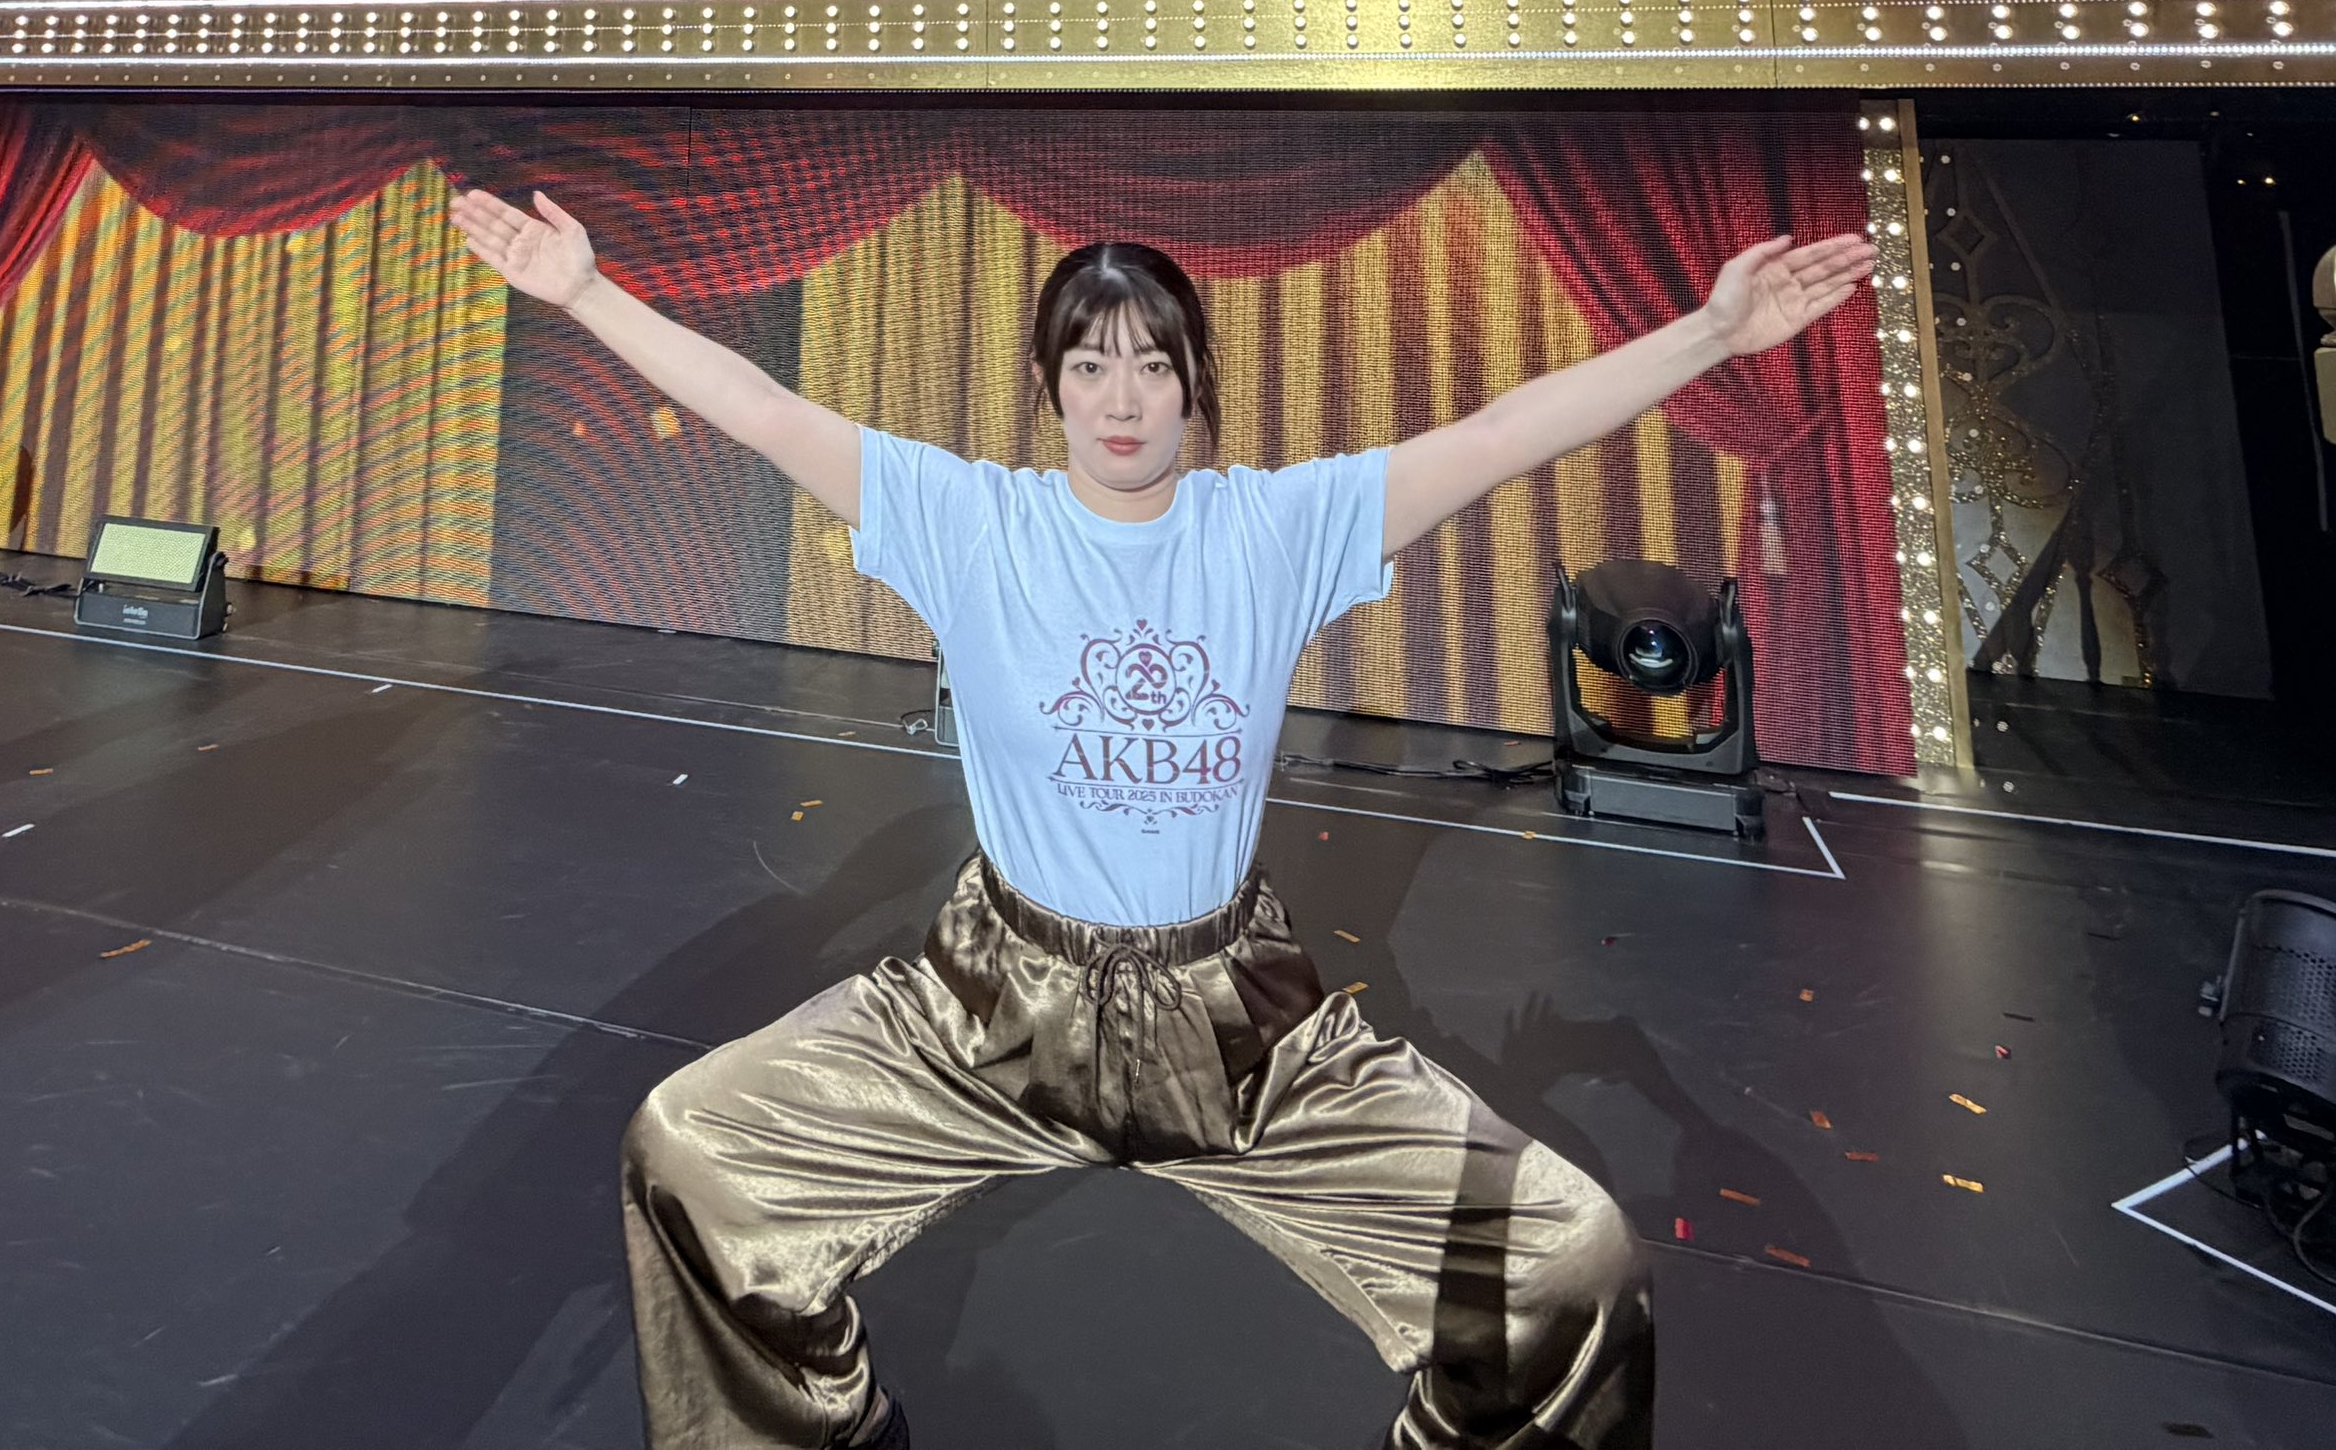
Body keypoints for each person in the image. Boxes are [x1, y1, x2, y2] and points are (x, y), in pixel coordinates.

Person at [446, 188, 1872, 1449]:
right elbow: (761, 410)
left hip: (1238, 1029)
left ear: (1196, 388)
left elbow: (1499, 435)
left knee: (1572, 1262)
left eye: (1151, 364)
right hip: (987, 1012)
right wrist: (586, 295)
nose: (1120, 399)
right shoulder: (972, 523)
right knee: (690, 1157)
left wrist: (1709, 334)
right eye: (1089, 365)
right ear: (1049, 389)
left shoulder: (1273, 532)